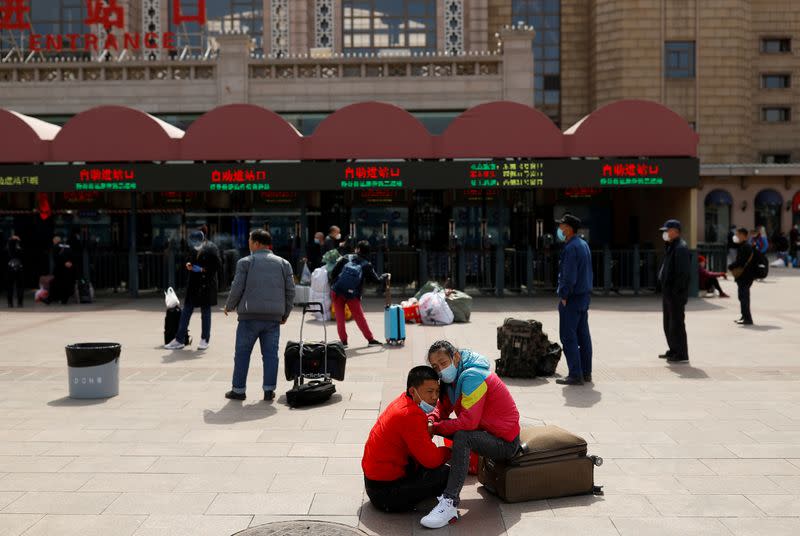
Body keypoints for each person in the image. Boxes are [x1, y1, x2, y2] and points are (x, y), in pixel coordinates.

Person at [421, 341, 521, 529]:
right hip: (485, 432)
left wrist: (435, 427)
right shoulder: (452, 380)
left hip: (505, 442)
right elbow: (441, 408)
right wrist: (430, 421)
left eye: (443, 363)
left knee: (462, 436)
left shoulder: (472, 376)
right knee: (459, 432)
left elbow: (469, 423)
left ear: (456, 357)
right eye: (435, 367)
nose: (441, 370)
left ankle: (450, 503)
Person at [362, 366, 451, 513]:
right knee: (445, 474)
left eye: (437, 391)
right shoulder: (410, 415)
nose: (435, 397)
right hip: (384, 493)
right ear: (412, 391)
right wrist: (450, 452)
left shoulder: (403, 401)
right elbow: (431, 460)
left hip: (373, 482)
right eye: (429, 391)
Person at [223, 229, 295, 401]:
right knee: (270, 355)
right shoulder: (284, 263)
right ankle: (269, 390)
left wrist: (229, 305)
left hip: (249, 317)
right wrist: (285, 313)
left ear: (255, 243)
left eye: (249, 240)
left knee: (242, 353)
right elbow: (290, 291)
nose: (249, 243)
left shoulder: (245, 262)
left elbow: (237, 287)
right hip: (273, 318)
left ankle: (238, 390)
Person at [554, 213, 593, 386]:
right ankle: (586, 372)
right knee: (583, 336)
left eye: (562, 227)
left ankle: (575, 374)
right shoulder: (583, 244)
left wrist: (563, 295)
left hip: (572, 298)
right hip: (584, 297)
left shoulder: (571, 248)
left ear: (568, 229)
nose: (559, 230)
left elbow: (569, 276)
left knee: (568, 336)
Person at [165, 230, 220, 351]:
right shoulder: (193, 248)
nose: (195, 245)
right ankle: (179, 340)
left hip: (206, 285)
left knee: (205, 313)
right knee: (186, 311)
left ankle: (204, 339)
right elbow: (189, 259)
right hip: (194, 285)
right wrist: (189, 264)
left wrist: (202, 270)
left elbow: (217, 266)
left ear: (203, 240)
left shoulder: (212, 248)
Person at [329, 240, 387, 348]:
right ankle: (370, 339)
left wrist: (336, 284)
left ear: (358, 249)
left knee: (340, 318)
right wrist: (384, 276)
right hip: (352, 294)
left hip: (337, 291)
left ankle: (344, 342)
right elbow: (377, 280)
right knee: (360, 317)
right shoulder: (366, 265)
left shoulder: (346, 257)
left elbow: (333, 273)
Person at [658, 219, 690, 363]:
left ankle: (681, 353)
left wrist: (676, 292)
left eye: (667, 230)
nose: (665, 233)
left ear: (675, 231)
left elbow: (682, 274)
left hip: (675, 294)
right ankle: (673, 349)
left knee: (676, 323)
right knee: (668, 323)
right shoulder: (671, 246)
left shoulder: (681, 248)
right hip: (668, 293)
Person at [728, 227, 755, 325]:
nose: (736, 236)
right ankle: (744, 316)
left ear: (743, 235)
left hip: (745, 276)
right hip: (744, 276)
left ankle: (747, 318)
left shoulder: (745, 246)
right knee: (742, 296)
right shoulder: (743, 245)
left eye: (738, 234)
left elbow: (741, 261)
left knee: (744, 297)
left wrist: (731, 266)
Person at [51, 235, 76, 305]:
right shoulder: (68, 246)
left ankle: (56, 298)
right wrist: (70, 262)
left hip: (60, 268)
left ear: (55, 241)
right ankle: (65, 299)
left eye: (53, 241)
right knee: (67, 283)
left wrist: (64, 263)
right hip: (68, 268)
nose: (53, 243)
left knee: (58, 283)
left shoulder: (56, 246)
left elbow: (56, 257)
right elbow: (72, 255)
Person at [6, 235, 24, 308]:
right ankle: (20, 303)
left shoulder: (7, 249)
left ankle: (10, 303)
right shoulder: (19, 248)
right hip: (19, 268)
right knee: (19, 286)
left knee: (9, 286)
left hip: (9, 268)